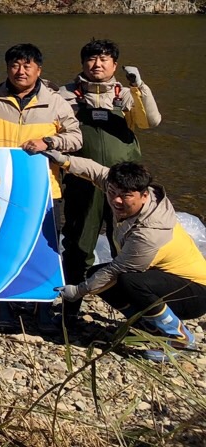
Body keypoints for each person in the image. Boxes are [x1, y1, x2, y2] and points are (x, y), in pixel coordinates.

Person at [40, 153, 205, 361]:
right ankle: (146, 326)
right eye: (112, 192)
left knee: (127, 280)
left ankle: (179, 337)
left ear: (144, 195)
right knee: (95, 274)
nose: (116, 200)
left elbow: (115, 270)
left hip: (195, 293)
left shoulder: (149, 234)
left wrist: (78, 291)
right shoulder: (124, 190)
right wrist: (61, 159)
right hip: (166, 278)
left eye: (125, 196)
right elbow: (94, 170)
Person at [0, 43, 81, 330]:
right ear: (8, 68)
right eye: (15, 65)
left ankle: (43, 306)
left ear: (39, 70)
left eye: (27, 65)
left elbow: (76, 138)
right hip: (3, 189)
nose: (21, 71)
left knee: (46, 248)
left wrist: (50, 143)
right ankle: (3, 306)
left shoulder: (55, 101)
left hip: (45, 189)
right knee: (1, 245)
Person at [59, 39, 162, 313]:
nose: (97, 64)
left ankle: (133, 312)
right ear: (83, 63)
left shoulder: (125, 94)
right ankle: (71, 306)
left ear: (114, 65)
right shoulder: (66, 94)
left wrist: (139, 86)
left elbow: (150, 121)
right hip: (82, 182)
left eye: (104, 59)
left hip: (125, 187)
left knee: (127, 246)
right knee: (78, 245)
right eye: (92, 59)